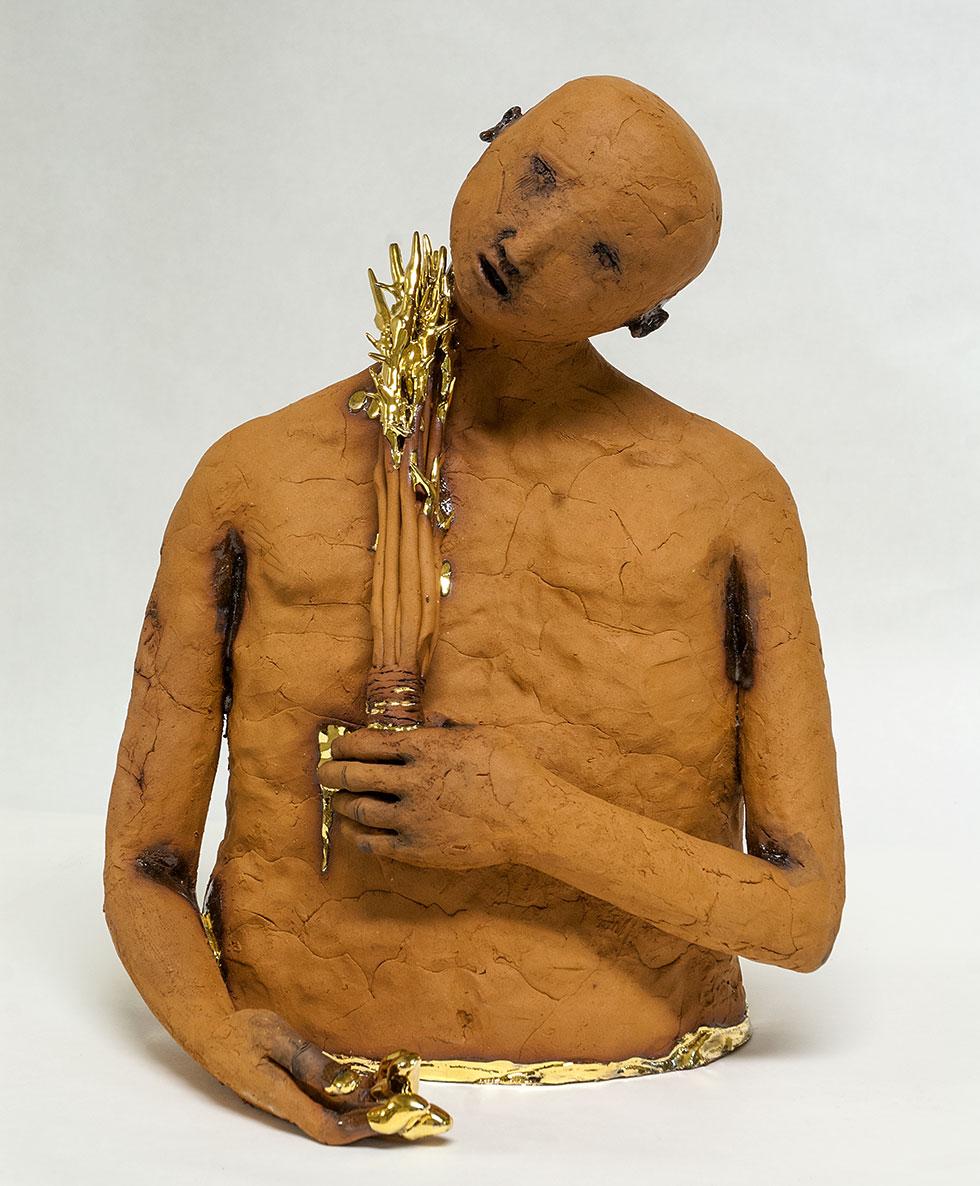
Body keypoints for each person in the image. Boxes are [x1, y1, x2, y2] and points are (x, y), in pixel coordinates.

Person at [105, 75, 844, 1144]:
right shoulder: (253, 478)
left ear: (642, 313)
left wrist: (523, 816)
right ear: (494, 137)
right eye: (535, 175)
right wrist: (220, 1041)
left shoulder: (727, 503)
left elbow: (802, 919)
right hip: (302, 1059)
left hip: (658, 1121)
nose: (526, 243)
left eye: (603, 256)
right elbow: (143, 863)